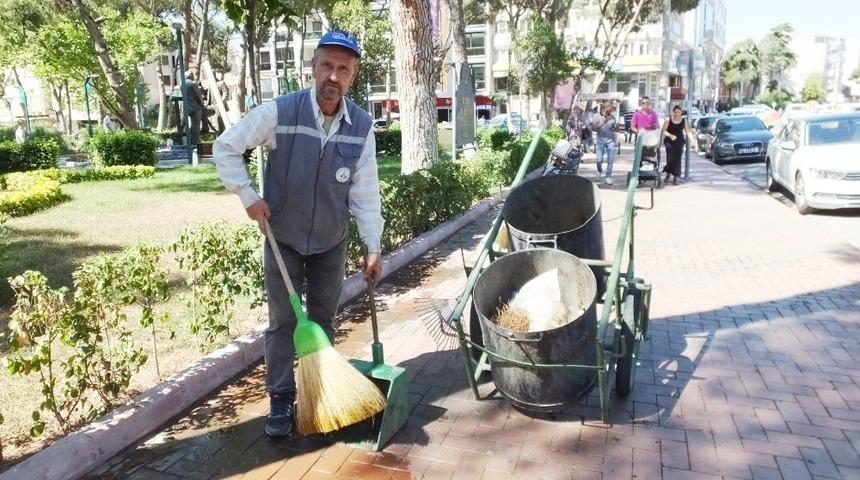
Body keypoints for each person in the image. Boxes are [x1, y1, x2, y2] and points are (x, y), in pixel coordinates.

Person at [213, 29, 383, 438]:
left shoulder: (361, 126)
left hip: (330, 241)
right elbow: (226, 147)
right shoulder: (280, 112)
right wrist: (249, 196)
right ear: (313, 67)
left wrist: (373, 245)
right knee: (283, 323)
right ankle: (281, 398)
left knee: (323, 318)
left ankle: (319, 390)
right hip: (282, 238)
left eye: (343, 69)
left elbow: (365, 191)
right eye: (327, 65)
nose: (333, 75)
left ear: (352, 75)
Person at [660, 105, 694, 185]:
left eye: (679, 112)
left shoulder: (684, 121)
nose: (677, 114)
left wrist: (692, 140)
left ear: (681, 113)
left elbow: (688, 131)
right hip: (669, 141)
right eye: (675, 112)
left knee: (678, 158)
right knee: (670, 158)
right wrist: (670, 135)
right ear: (673, 112)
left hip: (679, 141)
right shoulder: (668, 120)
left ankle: (676, 177)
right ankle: (668, 172)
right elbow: (663, 130)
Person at [592, 102, 618, 185]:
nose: (612, 110)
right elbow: (594, 128)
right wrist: (604, 121)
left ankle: (608, 177)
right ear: (605, 108)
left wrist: (617, 129)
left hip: (611, 141)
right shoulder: (596, 116)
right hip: (600, 140)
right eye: (610, 108)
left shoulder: (613, 117)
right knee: (599, 160)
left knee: (610, 160)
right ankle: (599, 171)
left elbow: (615, 130)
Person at [183, 71, 206, 146]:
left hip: (186, 107)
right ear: (190, 76)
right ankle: (195, 142)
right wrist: (202, 104)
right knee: (196, 125)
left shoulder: (182, 85)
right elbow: (198, 96)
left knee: (187, 125)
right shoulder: (193, 84)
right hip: (195, 107)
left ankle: (188, 140)